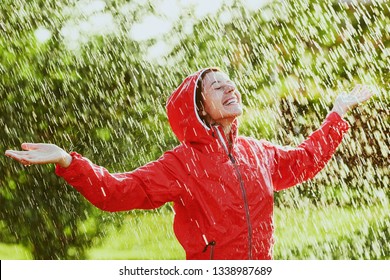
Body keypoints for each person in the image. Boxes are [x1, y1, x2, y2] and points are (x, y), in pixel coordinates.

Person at [5, 67, 374, 260]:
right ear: (199, 109)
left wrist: (337, 114)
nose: (231, 88)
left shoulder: (257, 152)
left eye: (231, 83)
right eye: (218, 87)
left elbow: (305, 162)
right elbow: (117, 192)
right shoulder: (181, 165)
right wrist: (70, 161)